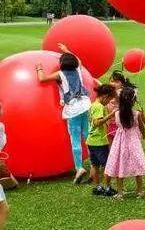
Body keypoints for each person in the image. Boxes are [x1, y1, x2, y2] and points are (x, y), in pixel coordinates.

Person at [36, 44, 90, 184]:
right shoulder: (78, 69)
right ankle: (96, 163)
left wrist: (39, 68)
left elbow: (42, 79)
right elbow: (79, 60)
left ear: (61, 64)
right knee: (87, 135)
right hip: (84, 105)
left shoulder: (60, 74)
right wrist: (67, 51)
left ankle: (79, 168)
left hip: (73, 109)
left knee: (75, 140)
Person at [104, 87, 145, 199]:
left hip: (120, 141)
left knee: (120, 163)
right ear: (133, 101)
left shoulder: (116, 113)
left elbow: (112, 123)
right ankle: (139, 191)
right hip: (133, 141)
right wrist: (144, 135)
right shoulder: (137, 114)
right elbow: (141, 127)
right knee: (137, 162)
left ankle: (120, 193)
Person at [86, 84, 117, 196]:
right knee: (106, 165)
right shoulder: (99, 107)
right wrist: (111, 115)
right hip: (99, 141)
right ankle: (108, 188)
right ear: (105, 96)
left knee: (95, 165)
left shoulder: (93, 105)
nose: (108, 102)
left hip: (91, 141)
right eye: (109, 99)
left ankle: (98, 187)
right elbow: (97, 122)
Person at [107, 71, 135, 144]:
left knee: (118, 141)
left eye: (116, 82)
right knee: (110, 141)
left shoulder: (121, 92)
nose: (113, 84)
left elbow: (117, 97)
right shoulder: (110, 92)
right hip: (110, 121)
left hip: (119, 122)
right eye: (112, 81)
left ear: (122, 84)